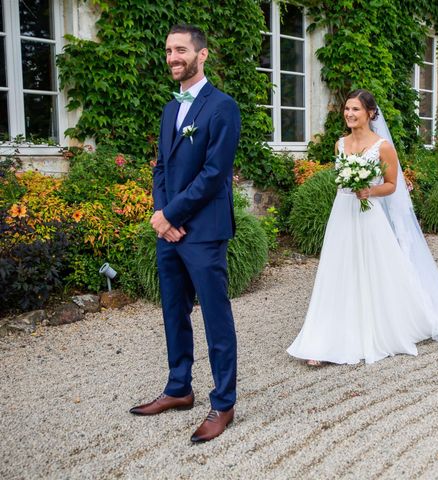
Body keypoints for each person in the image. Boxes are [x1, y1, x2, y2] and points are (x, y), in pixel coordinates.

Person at [287, 89, 438, 365]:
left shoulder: (382, 146)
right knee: (338, 270)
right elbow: (340, 178)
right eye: (347, 109)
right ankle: (325, 339)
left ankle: (382, 328)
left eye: (356, 109)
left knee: (374, 271)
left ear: (370, 113)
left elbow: (391, 185)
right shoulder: (339, 144)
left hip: (368, 214)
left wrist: (368, 191)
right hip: (342, 213)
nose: (349, 114)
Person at [129, 24, 241, 444]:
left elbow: (215, 174)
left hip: (204, 231)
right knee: (174, 311)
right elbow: (161, 167)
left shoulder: (222, 107)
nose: (172, 57)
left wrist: (171, 214)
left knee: (215, 316)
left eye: (180, 50)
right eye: (168, 50)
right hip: (169, 230)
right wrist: (161, 214)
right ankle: (179, 388)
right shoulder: (168, 109)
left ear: (202, 54)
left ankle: (224, 401)